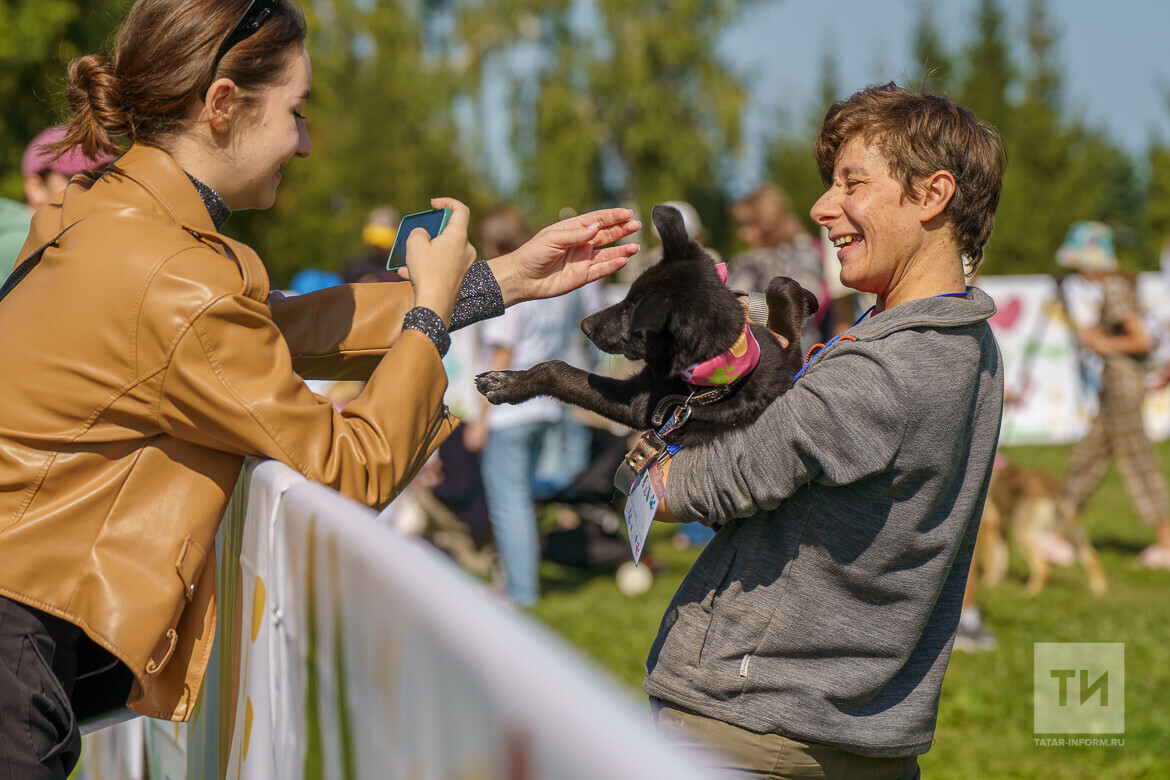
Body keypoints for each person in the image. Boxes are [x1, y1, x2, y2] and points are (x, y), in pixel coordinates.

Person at [0, 1, 639, 776]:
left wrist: (495, 283)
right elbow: (351, 466)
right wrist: (431, 319)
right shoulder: (176, 277)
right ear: (224, 104)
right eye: (296, 113)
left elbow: (280, 326)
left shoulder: (103, 210)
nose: (303, 145)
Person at [645, 83, 1006, 777]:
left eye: (853, 183)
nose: (822, 207)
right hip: (859, 729)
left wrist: (642, 447)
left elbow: (691, 489)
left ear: (932, 196)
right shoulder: (970, 343)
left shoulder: (881, 367)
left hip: (752, 730)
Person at [463, 205, 595, 606]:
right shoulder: (550, 282)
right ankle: (519, 580)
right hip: (545, 404)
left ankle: (520, 592)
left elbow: (501, 352)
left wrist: (480, 418)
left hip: (510, 408)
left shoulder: (508, 285)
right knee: (524, 500)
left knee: (509, 504)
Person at [1057, 221, 1170, 569]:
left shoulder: (1116, 288)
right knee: (1088, 458)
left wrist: (1098, 342)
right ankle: (1059, 534)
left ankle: (1167, 544)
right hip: (1116, 382)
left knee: (1137, 460)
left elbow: (1142, 340)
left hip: (1123, 383)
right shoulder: (1119, 285)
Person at [0, 126, 113, 279]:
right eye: (77, 177)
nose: (94, 187)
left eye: (101, 176)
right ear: (36, 187)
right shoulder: (25, 245)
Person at [727, 183, 826, 353]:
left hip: (788, 352)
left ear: (766, 224)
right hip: (802, 347)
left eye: (748, 225)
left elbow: (804, 303)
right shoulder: (807, 250)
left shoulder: (753, 261)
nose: (742, 233)